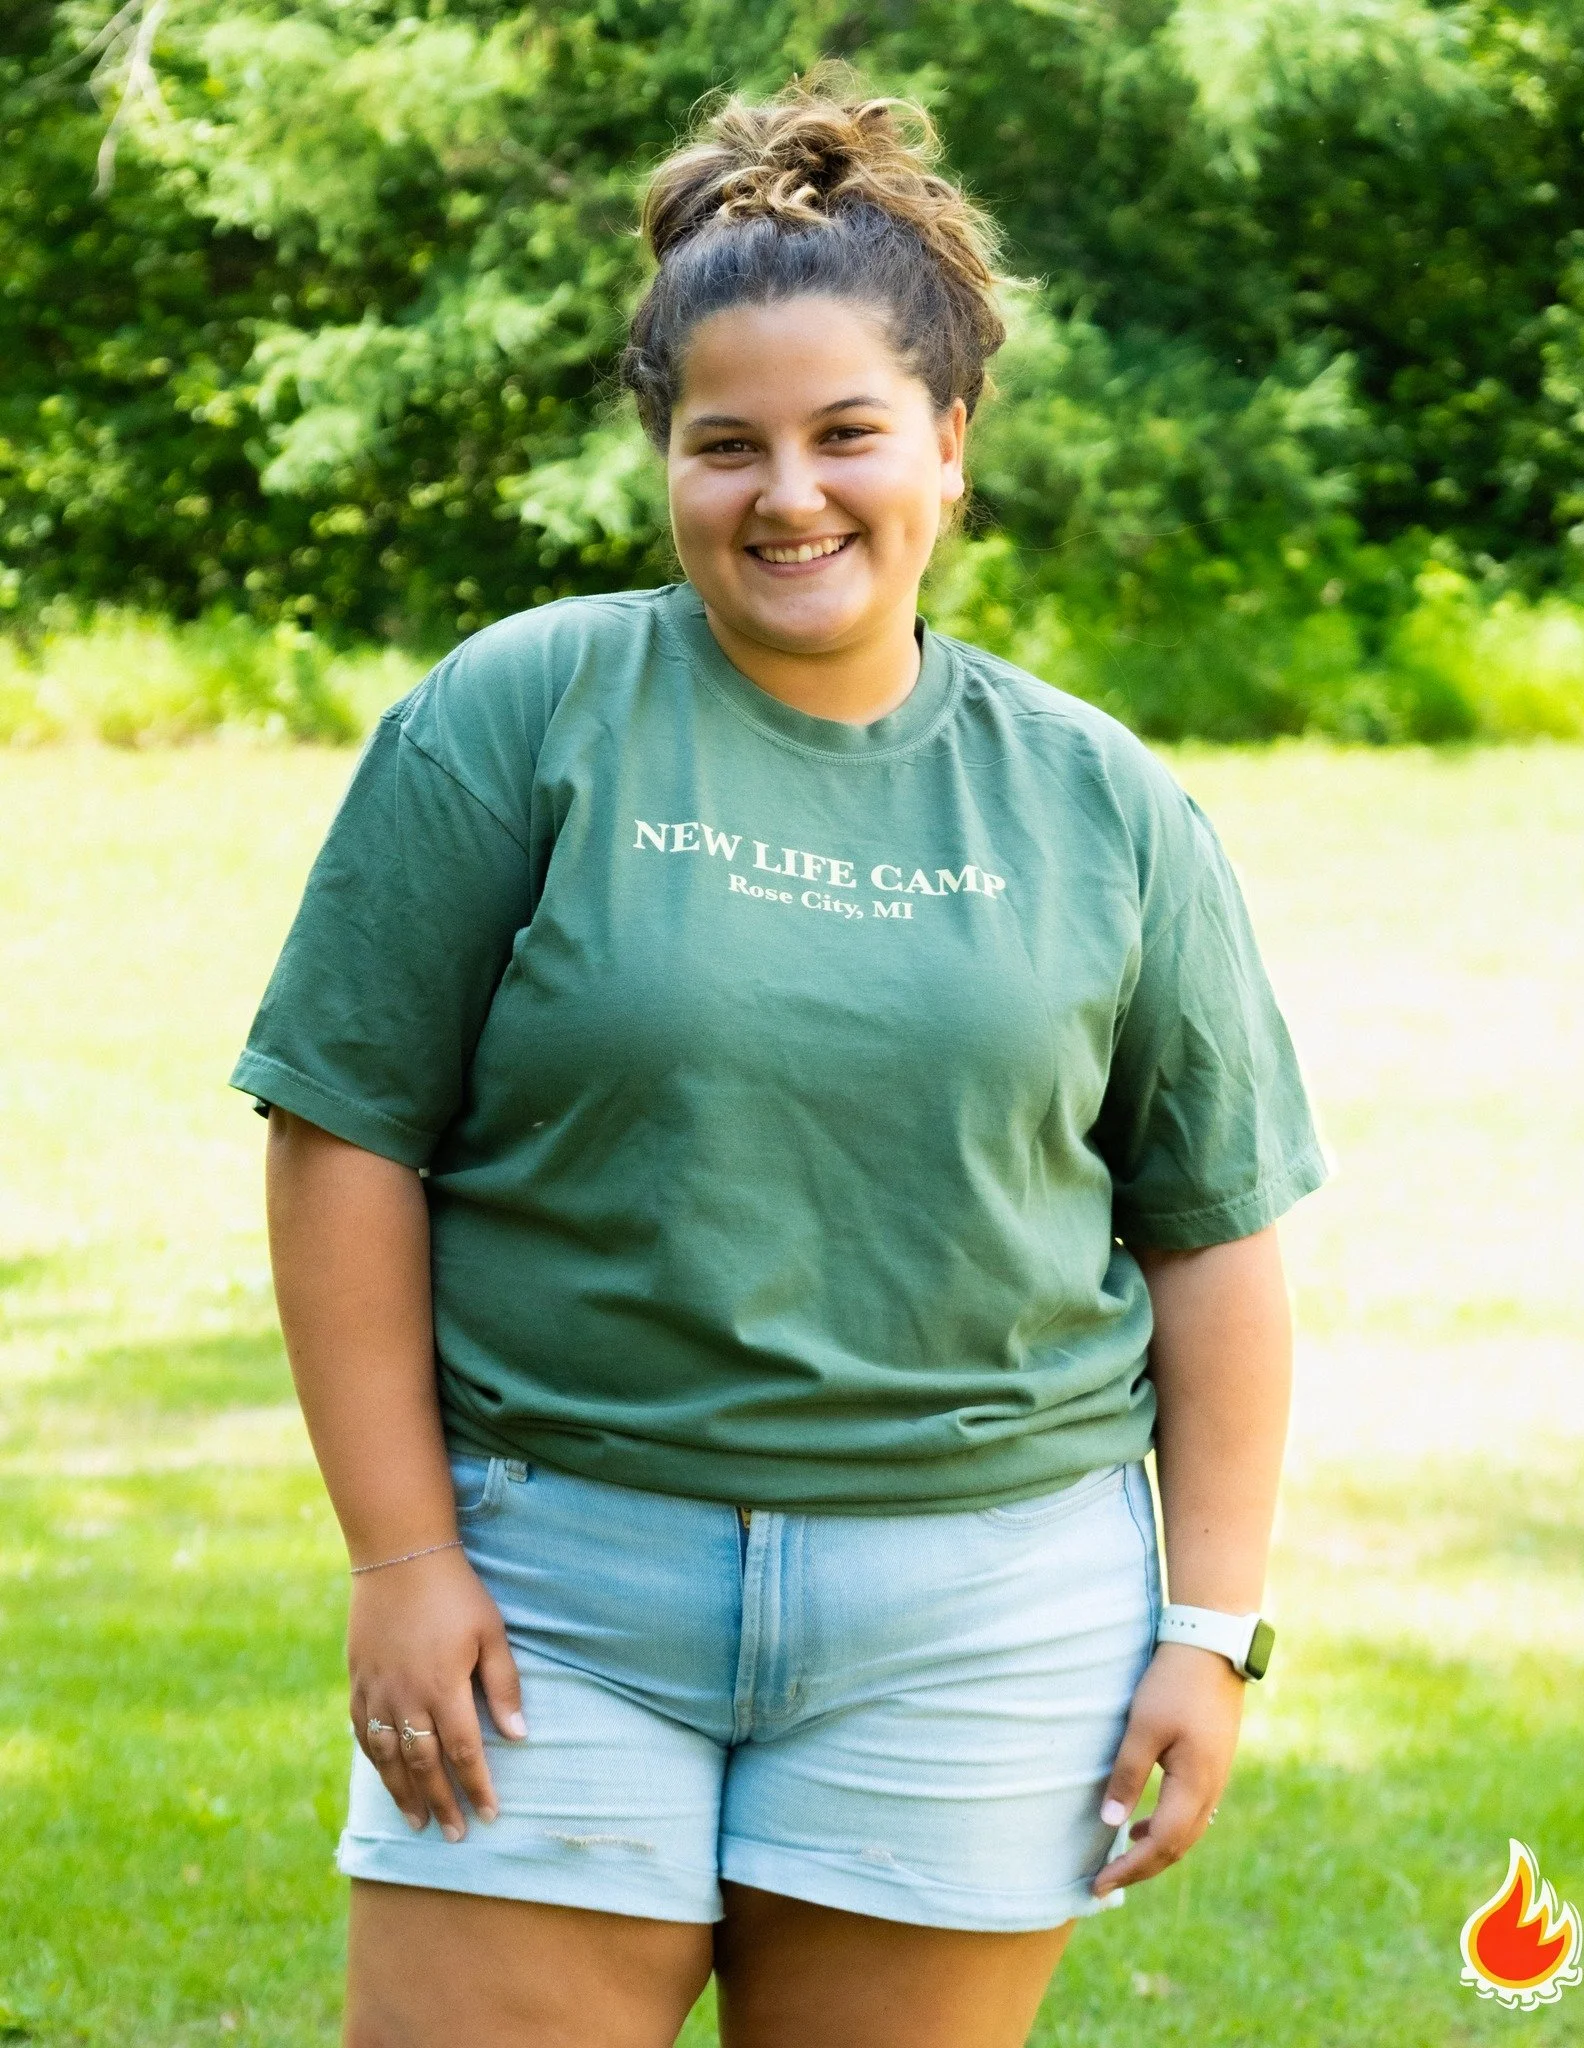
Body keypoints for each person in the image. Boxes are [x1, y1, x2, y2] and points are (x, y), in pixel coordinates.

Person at [233, 69, 1329, 2048]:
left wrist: (1207, 1627)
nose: (790, 494)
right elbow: (343, 1139)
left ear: (951, 448)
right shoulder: (521, 714)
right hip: (551, 1592)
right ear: (668, 461)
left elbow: (1211, 1235)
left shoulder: (1107, 803)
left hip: (983, 1624)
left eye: (847, 434)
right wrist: (401, 1555)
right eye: (726, 444)